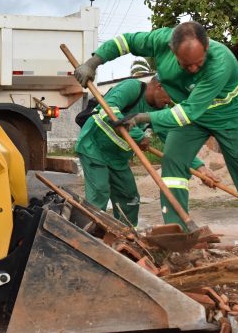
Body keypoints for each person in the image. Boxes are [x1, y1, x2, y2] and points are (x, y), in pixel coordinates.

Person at [75, 21, 238, 280]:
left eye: (199, 62)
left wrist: (141, 119)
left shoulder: (221, 61)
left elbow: (187, 113)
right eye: (187, 65)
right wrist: (94, 62)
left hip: (231, 117)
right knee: (172, 166)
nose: (194, 69)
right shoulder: (160, 41)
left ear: (207, 47)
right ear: (172, 51)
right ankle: (179, 242)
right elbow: (125, 41)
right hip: (193, 116)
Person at [75, 75, 218, 227]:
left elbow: (172, 140)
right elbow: (107, 109)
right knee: (99, 192)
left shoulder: (161, 109)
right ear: (158, 86)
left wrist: (199, 167)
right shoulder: (132, 88)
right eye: (170, 96)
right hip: (94, 147)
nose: (169, 102)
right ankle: (86, 236)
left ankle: (128, 237)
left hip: (118, 158)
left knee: (130, 198)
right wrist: (138, 135)